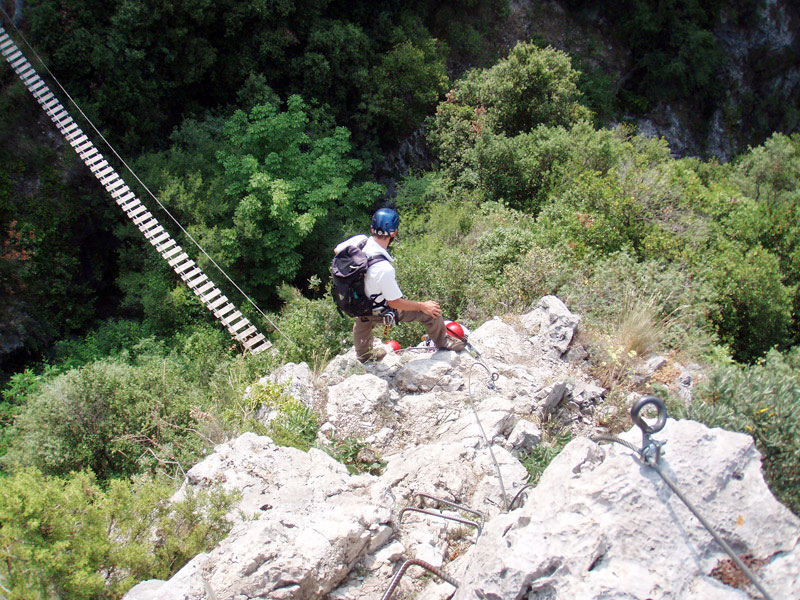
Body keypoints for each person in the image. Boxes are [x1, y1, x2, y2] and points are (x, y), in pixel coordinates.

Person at [334, 207, 466, 363]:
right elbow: (395, 302)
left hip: (357, 302)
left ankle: (364, 355)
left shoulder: (359, 241)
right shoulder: (384, 268)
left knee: (363, 319)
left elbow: (337, 250)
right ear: (394, 233)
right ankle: (443, 343)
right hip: (379, 309)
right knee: (432, 312)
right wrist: (423, 306)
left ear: (372, 229)